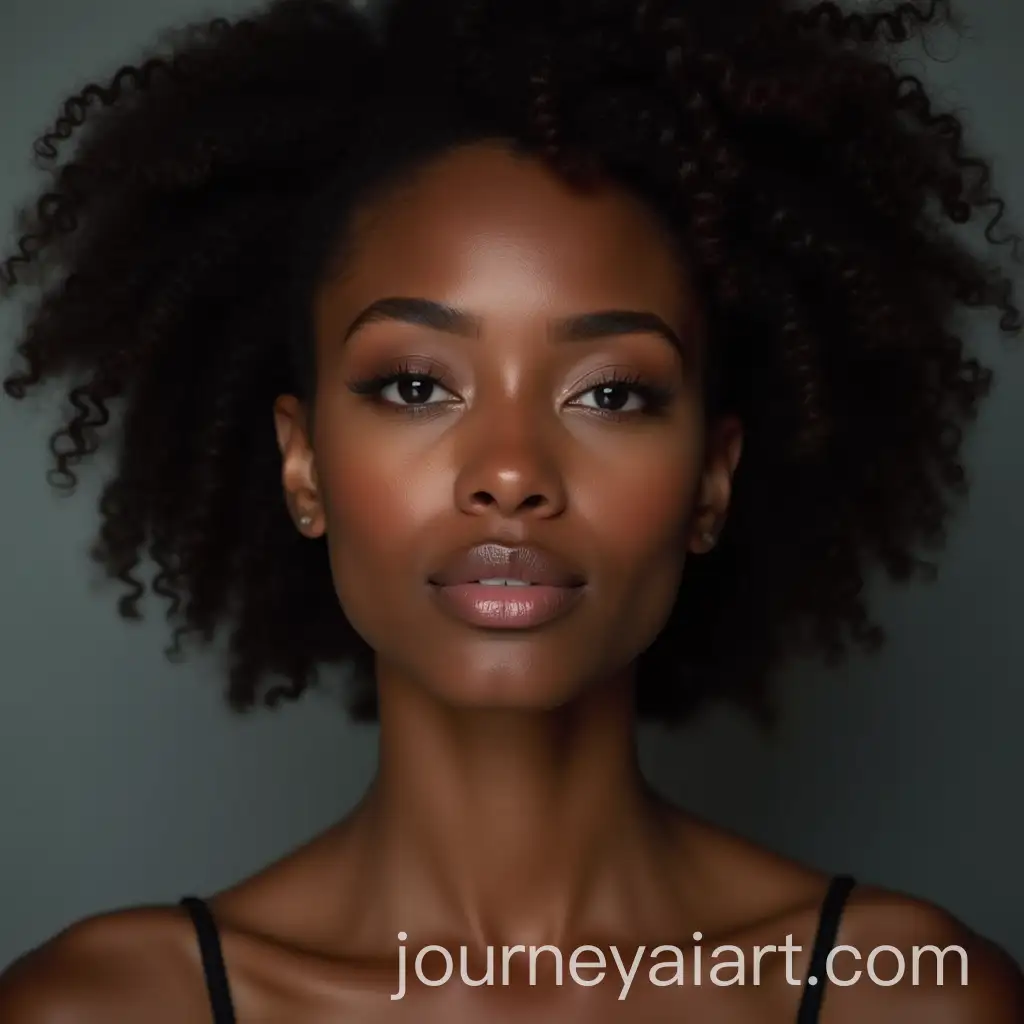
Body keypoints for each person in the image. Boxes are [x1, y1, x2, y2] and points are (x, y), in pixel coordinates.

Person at [0, 0, 1021, 1019]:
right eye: (413, 386)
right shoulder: (107, 1006)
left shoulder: (900, 997)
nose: (509, 472)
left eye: (611, 393)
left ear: (710, 479)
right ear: (303, 464)